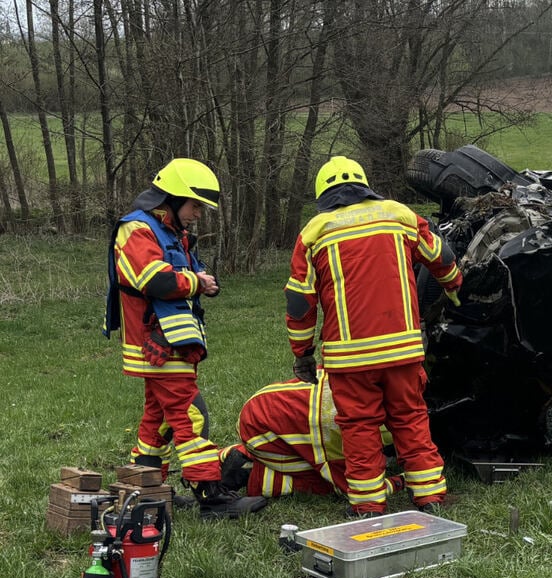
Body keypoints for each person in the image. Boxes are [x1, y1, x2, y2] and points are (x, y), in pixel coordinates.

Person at [285, 155, 463, 518]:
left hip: (349, 358)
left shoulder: (314, 233)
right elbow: (441, 256)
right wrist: (454, 286)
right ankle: (430, 495)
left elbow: (300, 303)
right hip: (402, 349)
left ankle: (368, 504)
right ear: (364, 185)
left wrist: (302, 352)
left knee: (359, 427)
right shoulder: (399, 215)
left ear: (323, 195)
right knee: (410, 417)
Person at [103, 157, 267, 520]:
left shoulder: (171, 232)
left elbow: (187, 272)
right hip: (156, 346)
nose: (198, 214)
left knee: (157, 420)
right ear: (173, 199)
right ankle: (211, 496)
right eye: (195, 206)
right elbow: (154, 280)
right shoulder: (137, 229)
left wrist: (204, 280)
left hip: (173, 343)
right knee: (191, 414)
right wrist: (196, 282)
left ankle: (146, 491)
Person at [218, 369, 404, 500]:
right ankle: (250, 474)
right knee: (328, 483)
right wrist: (403, 480)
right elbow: (360, 489)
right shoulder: (368, 433)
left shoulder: (383, 377)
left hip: (269, 403)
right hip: (266, 426)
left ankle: (230, 455)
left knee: (304, 455)